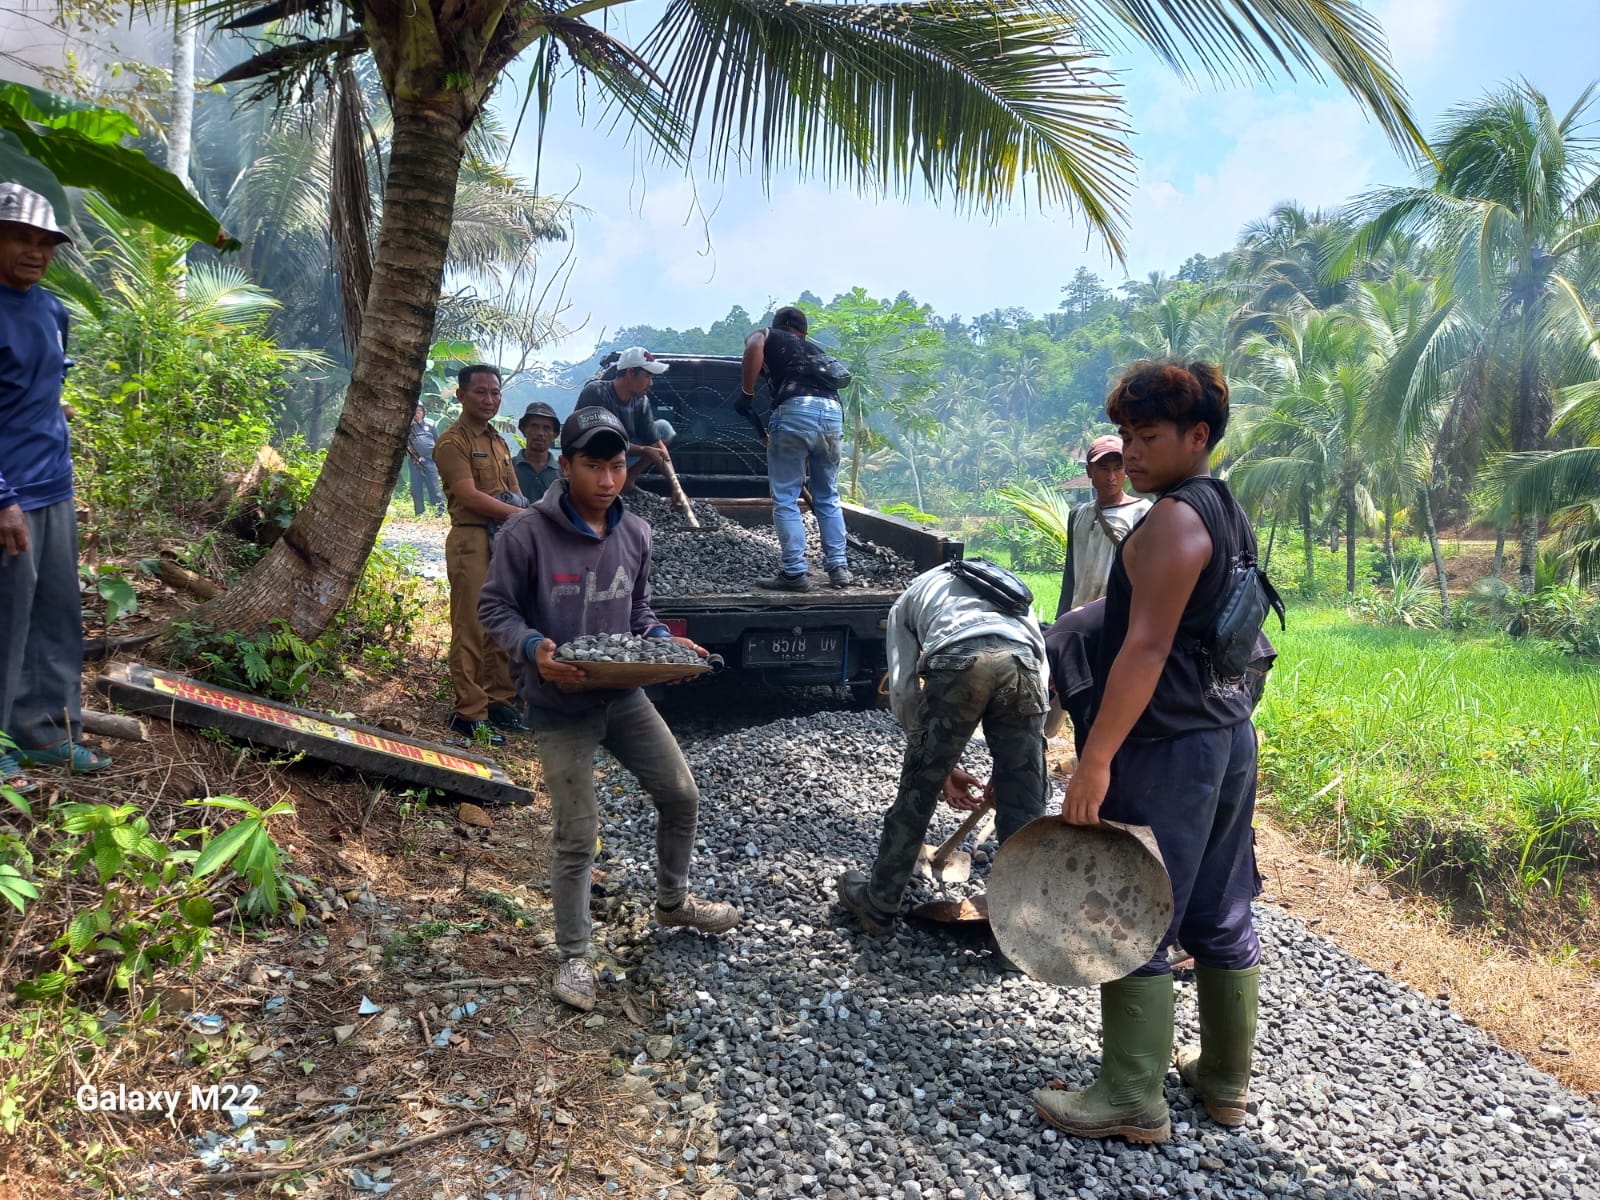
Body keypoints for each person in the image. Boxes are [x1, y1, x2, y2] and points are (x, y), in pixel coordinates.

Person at [1033, 360, 1263, 1145]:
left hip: (1168, 746)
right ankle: (1225, 1080)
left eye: (1149, 435)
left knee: (1134, 906)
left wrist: (1094, 760)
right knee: (1219, 906)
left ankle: (1132, 1096)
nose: (1131, 450)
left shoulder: (1169, 520)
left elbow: (1146, 649)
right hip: (1228, 733)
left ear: (1198, 436)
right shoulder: (1223, 508)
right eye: (1126, 435)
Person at [478, 406, 741, 1012]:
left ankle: (673, 901)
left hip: (623, 694)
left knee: (681, 793)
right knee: (578, 833)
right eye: (592, 466)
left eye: (617, 466)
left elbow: (639, 612)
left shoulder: (637, 533)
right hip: (557, 699)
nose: (606, 480)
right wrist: (533, 649)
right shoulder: (525, 534)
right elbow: (494, 610)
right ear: (565, 466)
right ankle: (575, 955)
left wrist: (664, 644)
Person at [835, 561, 1048, 933]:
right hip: (1022, 664)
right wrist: (1020, 762)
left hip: (958, 661)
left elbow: (901, 689)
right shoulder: (1011, 589)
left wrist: (933, 763)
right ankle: (1020, 935)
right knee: (1024, 804)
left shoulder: (911, 597)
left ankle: (881, 903)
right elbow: (1038, 668)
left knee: (917, 795)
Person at [0, 183, 112, 794]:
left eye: (46, 242)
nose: (35, 252)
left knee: (53, 616)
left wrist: (52, 409)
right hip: (9, 494)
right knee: (5, 619)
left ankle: (43, 731)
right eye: (20, 236)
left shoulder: (50, 309)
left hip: (52, 488)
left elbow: (42, 379)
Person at [431, 364, 526, 745]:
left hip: (503, 540)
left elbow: (516, 491)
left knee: (500, 622)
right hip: (471, 540)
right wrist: (525, 516)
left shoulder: (500, 442)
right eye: (481, 392)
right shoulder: (451, 443)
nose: (489, 399)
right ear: (461, 395)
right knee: (470, 627)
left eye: (495, 392)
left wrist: (526, 515)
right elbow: (469, 495)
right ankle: (469, 712)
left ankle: (499, 701)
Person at [740, 306, 851, 591]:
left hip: (794, 409)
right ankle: (838, 568)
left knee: (786, 496)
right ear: (803, 333)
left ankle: (794, 572)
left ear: (777, 326)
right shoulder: (814, 349)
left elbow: (754, 345)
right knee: (827, 495)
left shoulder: (767, 334)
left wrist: (747, 394)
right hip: (832, 415)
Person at [1056, 434, 1150, 618]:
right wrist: (1062, 618)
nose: (1111, 477)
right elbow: (1071, 573)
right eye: (1103, 468)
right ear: (1089, 471)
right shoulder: (1077, 514)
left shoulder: (1142, 513)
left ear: (1127, 470)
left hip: (1118, 616)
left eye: (1118, 468)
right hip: (1079, 616)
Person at [580, 347, 676, 492]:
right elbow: (601, 442)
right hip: (592, 457)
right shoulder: (597, 392)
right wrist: (645, 450)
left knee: (664, 429)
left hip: (621, 454)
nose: (651, 383)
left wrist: (676, 488)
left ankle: (627, 481)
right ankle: (601, 486)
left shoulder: (640, 402)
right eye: (647, 376)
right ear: (630, 372)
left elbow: (657, 445)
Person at [514, 401, 561, 502]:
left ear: (555, 435)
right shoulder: (507, 468)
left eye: (547, 428)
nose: (540, 433)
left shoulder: (563, 474)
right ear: (524, 430)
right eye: (534, 426)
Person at [406, 403, 446, 516]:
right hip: (415, 462)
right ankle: (419, 513)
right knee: (416, 488)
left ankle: (439, 512)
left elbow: (437, 441)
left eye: (419, 410)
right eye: (415, 411)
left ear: (423, 412)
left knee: (434, 487)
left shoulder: (430, 424)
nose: (417, 413)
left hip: (430, 461)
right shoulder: (408, 427)